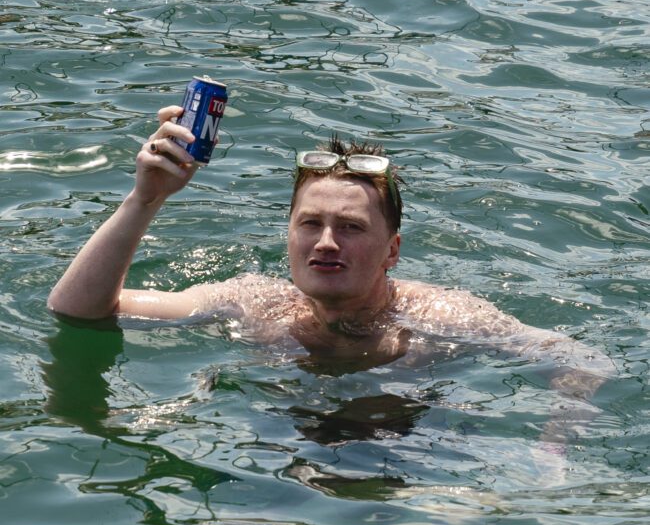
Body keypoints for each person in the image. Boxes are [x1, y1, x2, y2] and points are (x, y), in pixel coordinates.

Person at [48, 106, 614, 390]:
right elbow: (79, 309)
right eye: (309, 224)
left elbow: (585, 360)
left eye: (351, 227)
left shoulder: (442, 317)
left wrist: (551, 449)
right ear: (287, 237)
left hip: (417, 457)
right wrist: (145, 199)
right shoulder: (252, 303)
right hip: (282, 449)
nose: (325, 242)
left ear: (392, 251)